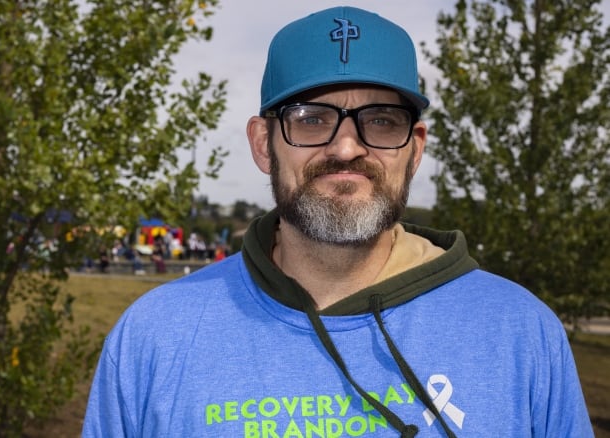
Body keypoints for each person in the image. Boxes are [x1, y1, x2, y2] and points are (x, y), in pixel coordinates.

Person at [82, 7, 592, 437]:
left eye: (380, 121)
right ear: (263, 144)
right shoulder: (154, 336)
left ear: (414, 149)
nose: (347, 147)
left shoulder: (520, 332)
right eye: (311, 118)